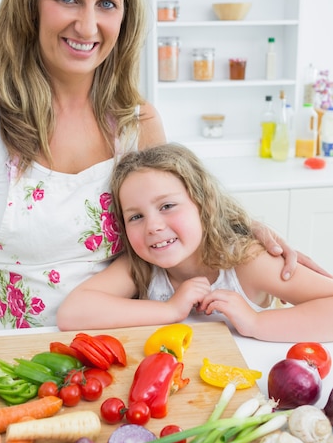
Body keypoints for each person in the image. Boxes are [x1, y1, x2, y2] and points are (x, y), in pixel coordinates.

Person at [0, 0, 319, 354]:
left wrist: (248, 234)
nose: (88, 27)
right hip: (17, 354)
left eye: (107, 3)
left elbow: (172, 209)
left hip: (124, 352)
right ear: (29, 4)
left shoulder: (138, 121)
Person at [58, 143, 333, 342]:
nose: (152, 226)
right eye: (136, 216)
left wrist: (256, 322)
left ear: (204, 205)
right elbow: (72, 314)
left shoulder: (247, 261)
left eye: (167, 206)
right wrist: (170, 309)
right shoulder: (140, 266)